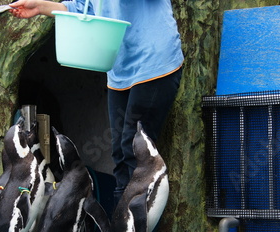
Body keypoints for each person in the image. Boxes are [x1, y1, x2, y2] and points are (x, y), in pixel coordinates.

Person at [10, 0, 184, 208]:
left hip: (155, 65)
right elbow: (82, 9)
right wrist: (38, 7)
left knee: (135, 151)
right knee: (120, 153)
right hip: (120, 72)